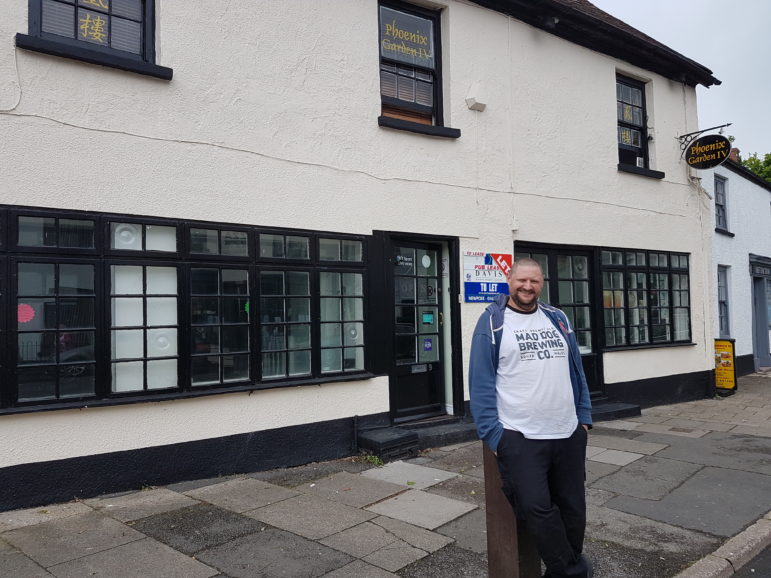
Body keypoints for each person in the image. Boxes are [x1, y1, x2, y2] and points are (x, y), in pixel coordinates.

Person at [469, 257, 593, 578]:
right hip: (520, 437)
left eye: (534, 281)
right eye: (521, 280)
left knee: (573, 508)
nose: (527, 287)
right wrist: (494, 436)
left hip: (567, 433)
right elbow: (480, 383)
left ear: (541, 284)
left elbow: (577, 371)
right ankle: (571, 569)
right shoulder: (493, 323)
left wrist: (584, 419)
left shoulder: (557, 317)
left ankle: (565, 566)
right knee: (535, 507)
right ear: (509, 281)